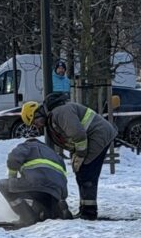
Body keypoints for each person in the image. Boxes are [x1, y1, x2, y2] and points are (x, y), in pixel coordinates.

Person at [22, 92, 117, 220]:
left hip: (99, 134)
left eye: (35, 122)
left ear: (38, 113)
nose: (37, 126)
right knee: (82, 173)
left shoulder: (60, 113)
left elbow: (78, 135)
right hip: (92, 137)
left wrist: (80, 155)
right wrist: (75, 155)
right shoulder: (53, 117)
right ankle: (85, 209)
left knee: (87, 173)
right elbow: (70, 139)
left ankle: (89, 213)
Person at [0, 137, 71, 226]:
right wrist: (62, 197)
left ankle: (26, 216)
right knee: (46, 199)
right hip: (56, 191)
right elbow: (63, 177)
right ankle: (54, 210)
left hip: (35, 183)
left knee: (2, 185)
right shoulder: (55, 154)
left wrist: (12, 177)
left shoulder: (27, 146)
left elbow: (13, 158)